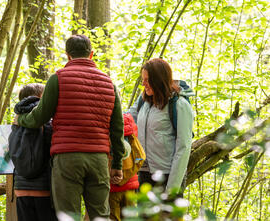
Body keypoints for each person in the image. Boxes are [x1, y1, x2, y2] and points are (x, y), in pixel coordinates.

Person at [14, 34, 125, 220]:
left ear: (67, 55)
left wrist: (21, 119)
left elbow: (39, 117)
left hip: (67, 159)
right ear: (91, 54)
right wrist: (117, 164)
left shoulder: (58, 79)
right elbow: (117, 128)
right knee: (101, 216)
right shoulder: (109, 84)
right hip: (98, 158)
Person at [127, 58, 194, 193]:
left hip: (167, 176)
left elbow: (184, 147)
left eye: (147, 80)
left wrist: (172, 189)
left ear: (159, 79)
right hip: (144, 173)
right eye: (143, 80)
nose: (144, 84)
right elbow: (126, 118)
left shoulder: (180, 105)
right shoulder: (144, 101)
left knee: (166, 215)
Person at [9, 83, 57, 221]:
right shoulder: (47, 120)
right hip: (44, 189)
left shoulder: (16, 121)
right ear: (41, 97)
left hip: (21, 189)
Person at [109, 113, 145, 221]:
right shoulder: (131, 135)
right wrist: (126, 176)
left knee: (113, 217)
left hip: (112, 188)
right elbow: (141, 157)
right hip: (129, 188)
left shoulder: (107, 134)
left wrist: (112, 177)